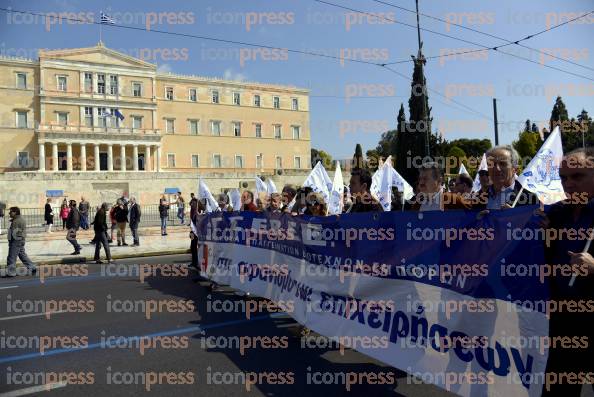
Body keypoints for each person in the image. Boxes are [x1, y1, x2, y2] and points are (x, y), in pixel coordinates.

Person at [542, 147, 594, 396]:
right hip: (561, 323)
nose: (568, 184)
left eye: (577, 176)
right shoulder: (556, 214)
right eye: (563, 178)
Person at [478, 145, 537, 210]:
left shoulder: (531, 198)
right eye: (492, 164)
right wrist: (477, 219)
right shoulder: (477, 199)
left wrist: (516, 216)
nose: (497, 168)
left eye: (502, 164)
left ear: (515, 169)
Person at [405, 162, 471, 211]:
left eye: (425, 179)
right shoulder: (417, 205)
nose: (421, 183)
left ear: (439, 180)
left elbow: (474, 219)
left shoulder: (454, 201)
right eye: (420, 179)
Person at [4, 207, 37, 277]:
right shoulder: (18, 219)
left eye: (11, 212)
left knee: (11, 256)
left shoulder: (16, 221)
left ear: (15, 212)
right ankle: (32, 267)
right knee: (22, 255)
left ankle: (11, 272)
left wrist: (11, 241)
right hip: (20, 240)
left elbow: (13, 232)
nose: (9, 213)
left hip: (16, 240)